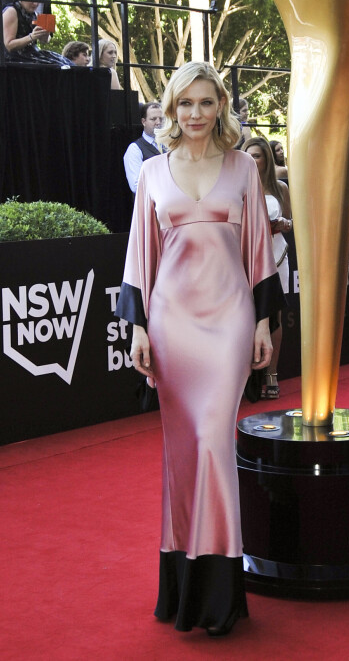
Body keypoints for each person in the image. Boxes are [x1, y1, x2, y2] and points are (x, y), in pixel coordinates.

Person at [115, 61, 283, 636]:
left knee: (214, 439)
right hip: (172, 325)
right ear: (170, 108)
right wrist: (137, 328)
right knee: (182, 450)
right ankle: (184, 585)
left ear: (221, 108)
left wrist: (263, 323)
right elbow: (140, 257)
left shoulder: (243, 170)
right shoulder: (153, 174)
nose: (194, 114)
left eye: (206, 103)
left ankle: (218, 594)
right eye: (184, 103)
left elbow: (259, 252)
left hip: (229, 321)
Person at [243, 136, 292, 398]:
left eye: (257, 155)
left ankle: (272, 374)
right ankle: (245, 377)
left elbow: (292, 221)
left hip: (277, 254)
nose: (252, 160)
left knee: (274, 317)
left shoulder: (280, 187)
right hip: (245, 258)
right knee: (245, 317)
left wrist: (284, 224)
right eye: (248, 155)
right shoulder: (236, 187)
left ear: (266, 160)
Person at [2, 0, 71, 66]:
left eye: (39, 0)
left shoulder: (35, 14)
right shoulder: (11, 11)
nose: (35, 4)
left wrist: (45, 35)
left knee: (67, 64)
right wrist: (31, 37)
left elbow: (44, 41)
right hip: (15, 58)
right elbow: (9, 45)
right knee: (56, 66)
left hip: (32, 54)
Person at [123, 102, 164, 193]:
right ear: (143, 122)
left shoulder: (170, 145)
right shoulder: (135, 149)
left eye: (161, 119)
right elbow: (136, 186)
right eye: (153, 119)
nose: (158, 122)